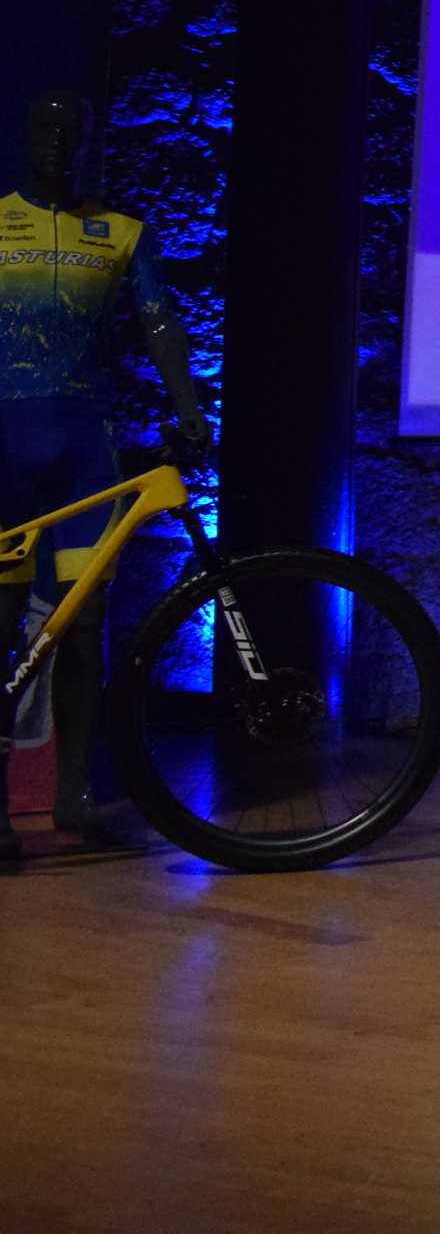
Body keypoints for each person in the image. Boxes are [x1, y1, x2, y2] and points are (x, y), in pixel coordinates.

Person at [3, 92, 210, 863]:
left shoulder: (122, 232)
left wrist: (189, 409)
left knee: (85, 627)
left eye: (72, 131)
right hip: (6, 448)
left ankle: (74, 796)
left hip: (87, 451)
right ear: (27, 136)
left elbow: (159, 322)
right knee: (2, 623)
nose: (58, 143)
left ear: (88, 141)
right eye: (45, 129)